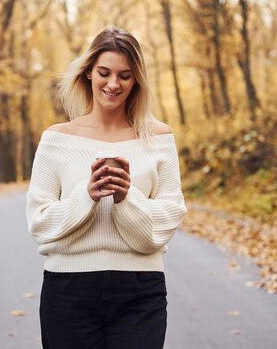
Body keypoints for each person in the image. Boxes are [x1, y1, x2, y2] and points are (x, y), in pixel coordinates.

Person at [26, 27, 188, 349]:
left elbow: (170, 216)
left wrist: (126, 199)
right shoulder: (57, 139)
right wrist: (86, 195)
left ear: (136, 81)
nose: (113, 84)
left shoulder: (157, 137)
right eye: (104, 73)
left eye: (125, 76)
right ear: (88, 73)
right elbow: (40, 222)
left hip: (140, 291)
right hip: (68, 291)